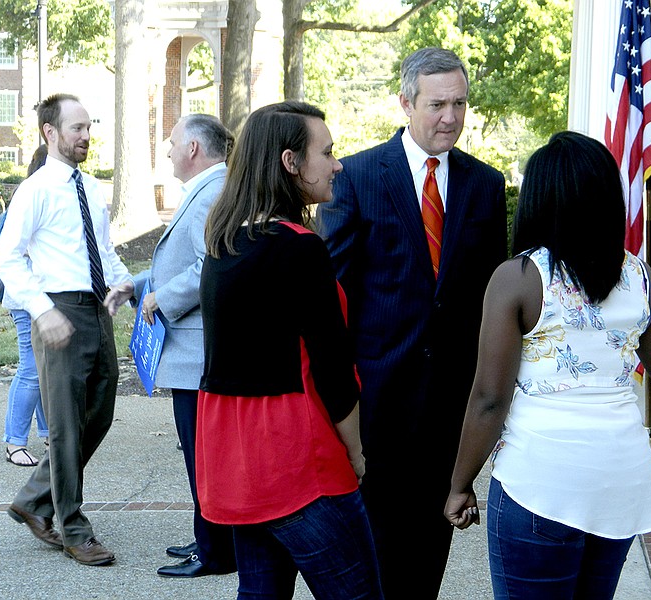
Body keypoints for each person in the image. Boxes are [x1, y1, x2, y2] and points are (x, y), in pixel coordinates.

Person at [444, 131, 651, 600]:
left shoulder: (519, 278)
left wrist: (460, 483)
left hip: (542, 480)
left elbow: (489, 398)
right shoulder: (642, 277)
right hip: (621, 479)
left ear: (539, 199)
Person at [316, 47, 507, 597]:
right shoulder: (356, 175)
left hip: (449, 405)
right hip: (375, 400)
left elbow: (491, 298)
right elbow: (334, 293)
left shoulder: (485, 185)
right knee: (373, 554)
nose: (450, 117)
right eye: (437, 104)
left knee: (428, 554)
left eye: (459, 104)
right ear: (405, 103)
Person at [197, 100, 383, 599]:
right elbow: (333, 371)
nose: (337, 164)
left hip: (237, 461)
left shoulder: (224, 241)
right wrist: (358, 454)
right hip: (298, 462)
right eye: (327, 152)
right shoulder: (300, 247)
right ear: (290, 163)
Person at [0, 93, 133, 566]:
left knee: (99, 412)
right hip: (57, 311)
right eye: (76, 128)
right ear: (49, 133)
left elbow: (103, 248)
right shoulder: (34, 190)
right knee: (65, 428)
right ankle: (73, 527)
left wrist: (122, 281)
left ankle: (33, 499)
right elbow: (7, 258)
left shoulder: (90, 187)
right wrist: (41, 310)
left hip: (97, 310)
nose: (86, 136)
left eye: (88, 126)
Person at [104, 114, 236, 577]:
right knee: (201, 453)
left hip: (196, 352)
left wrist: (161, 298)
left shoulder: (213, 192)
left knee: (203, 456)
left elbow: (210, 267)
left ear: (195, 149)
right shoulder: (207, 190)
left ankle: (217, 552)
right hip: (191, 351)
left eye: (174, 141)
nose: (168, 150)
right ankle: (211, 538)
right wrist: (138, 287)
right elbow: (177, 264)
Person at [3, 144, 49, 467]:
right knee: (32, 369)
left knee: (45, 369)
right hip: (25, 298)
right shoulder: (32, 195)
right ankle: (14, 441)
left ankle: (48, 432)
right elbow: (16, 252)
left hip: (42, 297)